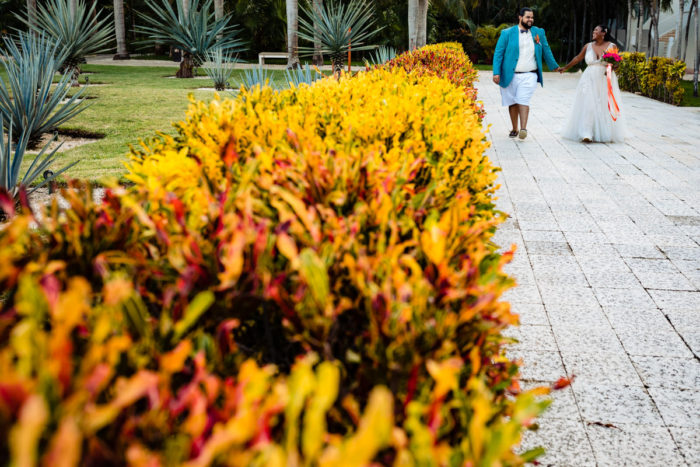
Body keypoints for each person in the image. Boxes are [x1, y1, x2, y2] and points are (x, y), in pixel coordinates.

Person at [493, 7, 560, 140]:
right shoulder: (507, 33)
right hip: (509, 74)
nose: (531, 20)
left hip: (530, 74)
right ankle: (514, 128)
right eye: (528, 17)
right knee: (512, 102)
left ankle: (523, 129)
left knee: (523, 99)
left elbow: (546, 50)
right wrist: (496, 72)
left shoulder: (538, 33)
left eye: (532, 17)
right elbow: (498, 54)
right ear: (520, 17)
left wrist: (555, 66)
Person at [559, 25, 626, 143]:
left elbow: (617, 62)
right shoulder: (588, 46)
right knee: (588, 104)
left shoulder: (612, 46)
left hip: (605, 79)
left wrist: (611, 67)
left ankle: (604, 131)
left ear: (603, 33)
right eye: (593, 30)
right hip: (589, 78)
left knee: (603, 104)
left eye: (596, 30)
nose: (593, 32)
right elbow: (578, 58)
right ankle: (586, 132)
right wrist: (565, 67)